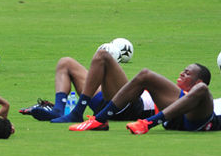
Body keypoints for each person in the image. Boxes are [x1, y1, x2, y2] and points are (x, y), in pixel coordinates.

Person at [19, 48, 156, 123]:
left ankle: (77, 112)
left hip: (127, 107)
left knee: (103, 55)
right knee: (65, 62)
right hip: (103, 104)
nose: (179, 75)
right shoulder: (169, 90)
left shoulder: (172, 96)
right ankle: (58, 110)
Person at [70, 63, 213, 131]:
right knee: (145, 74)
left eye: (187, 73)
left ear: (197, 81)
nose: (182, 73)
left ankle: (148, 124)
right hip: (171, 119)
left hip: (196, 120)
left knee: (202, 90)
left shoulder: (202, 92)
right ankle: (99, 120)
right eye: (183, 70)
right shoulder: (173, 94)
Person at [126, 81, 221, 134]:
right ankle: (110, 112)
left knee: (202, 88)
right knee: (146, 74)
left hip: (204, 120)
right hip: (180, 116)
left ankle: (148, 123)